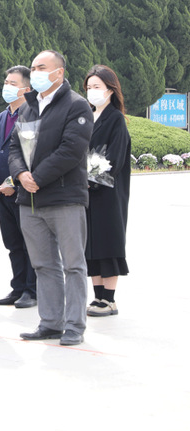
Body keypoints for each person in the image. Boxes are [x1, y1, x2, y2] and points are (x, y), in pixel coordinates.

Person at [8, 50, 93, 346]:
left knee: (73, 264)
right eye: (33, 68)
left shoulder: (76, 105)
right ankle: (51, 322)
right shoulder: (28, 108)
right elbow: (14, 148)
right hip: (30, 200)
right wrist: (21, 174)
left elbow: (71, 150)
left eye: (42, 67)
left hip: (64, 198)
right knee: (43, 265)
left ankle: (74, 325)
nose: (36, 73)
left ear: (59, 72)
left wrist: (37, 177)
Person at [83, 65, 131, 317]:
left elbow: (115, 157)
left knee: (108, 242)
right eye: (89, 87)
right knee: (91, 244)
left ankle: (109, 299)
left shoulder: (115, 119)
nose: (92, 91)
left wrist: (92, 178)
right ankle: (97, 296)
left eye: (97, 87)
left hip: (108, 192)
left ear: (111, 90)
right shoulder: (86, 116)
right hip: (86, 192)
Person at [0, 66, 37, 308]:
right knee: (12, 243)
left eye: (13, 83)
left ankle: (31, 289)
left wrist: (13, 183)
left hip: (23, 192)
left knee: (29, 243)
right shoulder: (0, 118)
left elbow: (31, 156)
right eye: (6, 82)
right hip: (1, 193)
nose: (7, 87)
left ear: (26, 89)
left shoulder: (32, 116)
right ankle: (17, 287)